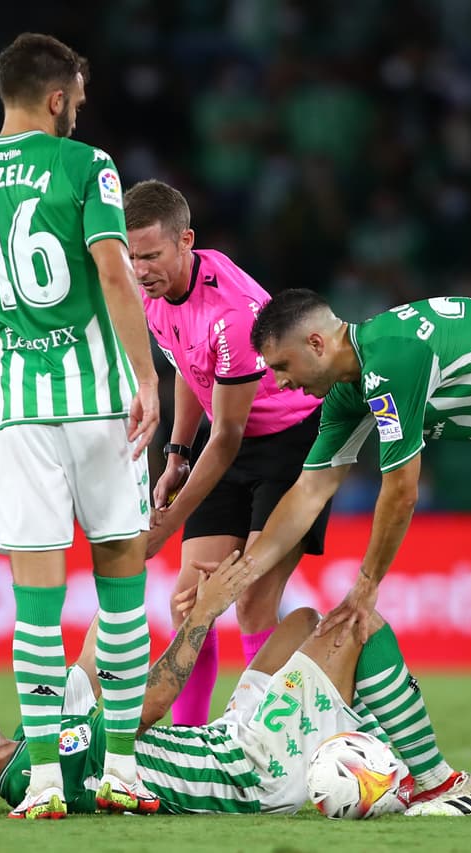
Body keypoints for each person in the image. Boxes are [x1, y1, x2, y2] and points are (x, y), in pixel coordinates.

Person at [208, 288, 471, 817]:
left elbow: (402, 489)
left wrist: (367, 583)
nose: (279, 382)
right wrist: (247, 570)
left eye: (281, 365)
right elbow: (310, 490)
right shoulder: (353, 385)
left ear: (317, 343)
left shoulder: (390, 360)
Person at [0, 32, 162, 820]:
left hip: (18, 412)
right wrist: (147, 374)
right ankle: (119, 766)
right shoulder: (86, 167)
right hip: (101, 403)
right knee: (121, 591)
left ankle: (48, 779)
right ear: (57, 97)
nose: (79, 113)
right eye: (78, 101)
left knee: (36, 609)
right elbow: (116, 272)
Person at [0, 550, 460, 816]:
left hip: (228, 736)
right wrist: (202, 615)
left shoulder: (35, 737)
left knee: (303, 623)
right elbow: (153, 702)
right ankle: (434, 782)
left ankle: (363, 750)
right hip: (249, 769)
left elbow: (104, 644)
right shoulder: (42, 775)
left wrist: (127, 551)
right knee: (356, 623)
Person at [122, 179, 332, 726]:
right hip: (226, 443)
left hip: (290, 447)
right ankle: (190, 740)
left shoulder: (231, 315)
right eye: (132, 255)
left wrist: (166, 527)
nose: (140, 269)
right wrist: (174, 453)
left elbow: (230, 434)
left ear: (185, 241)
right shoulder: (156, 297)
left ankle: (257, 741)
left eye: (151, 255)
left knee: (252, 600)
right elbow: (190, 373)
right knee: (188, 603)